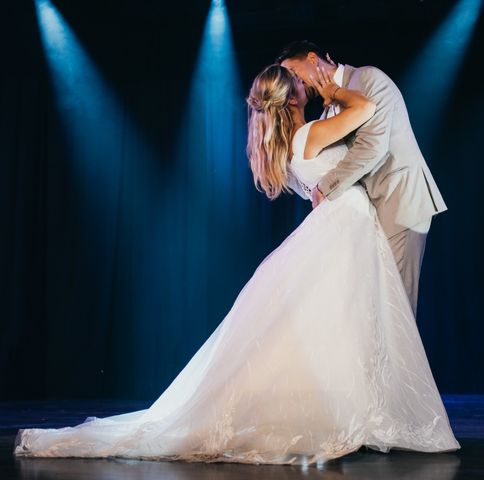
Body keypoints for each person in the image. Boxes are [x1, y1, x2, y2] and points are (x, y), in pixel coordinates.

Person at [13, 62, 460, 466]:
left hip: (348, 228)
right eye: (301, 85)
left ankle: (364, 411)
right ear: (295, 97)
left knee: (346, 324)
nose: (307, 85)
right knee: (352, 322)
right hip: (349, 228)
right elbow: (363, 110)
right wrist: (335, 92)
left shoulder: (288, 149)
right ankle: (363, 413)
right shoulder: (307, 136)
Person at [277, 40, 448, 318]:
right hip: (372, 212)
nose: (294, 83)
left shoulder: (366, 78)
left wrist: (325, 187)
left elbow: (372, 146)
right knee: (375, 309)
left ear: (312, 58)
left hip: (398, 199)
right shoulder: (328, 108)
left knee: (396, 310)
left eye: (295, 74)